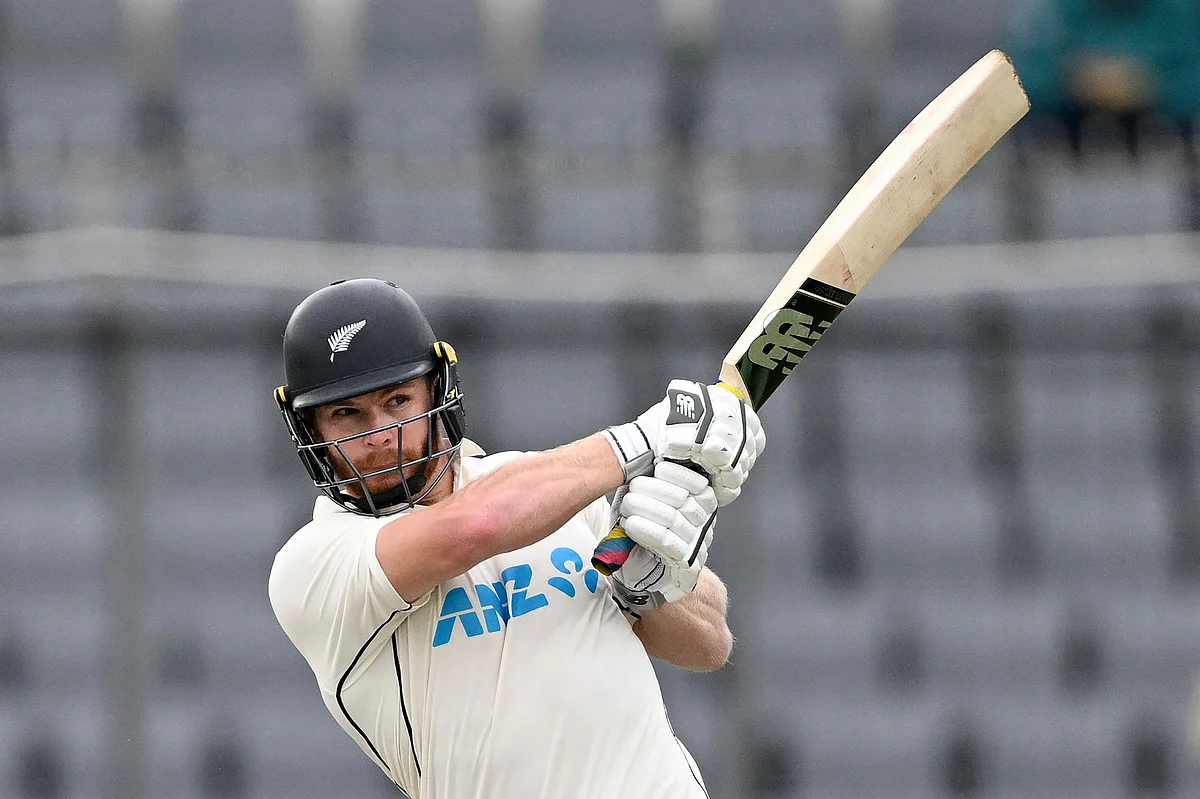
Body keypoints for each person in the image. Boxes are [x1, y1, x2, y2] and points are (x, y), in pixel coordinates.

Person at [267, 278, 766, 798]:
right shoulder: (312, 564)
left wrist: (650, 591)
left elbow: (710, 644)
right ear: (310, 430)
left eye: (397, 400)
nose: (380, 435)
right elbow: (475, 526)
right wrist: (647, 437)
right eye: (346, 414)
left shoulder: (545, 486)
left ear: (436, 390)